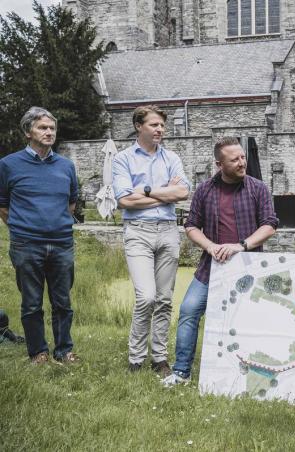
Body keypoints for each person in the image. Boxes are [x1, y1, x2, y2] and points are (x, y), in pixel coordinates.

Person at [162, 137, 278, 386]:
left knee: (253, 321)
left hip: (249, 266)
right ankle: (181, 373)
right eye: (234, 159)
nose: (241, 162)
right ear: (219, 164)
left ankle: (252, 374)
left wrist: (241, 245)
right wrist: (211, 246)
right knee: (188, 311)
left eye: (242, 157)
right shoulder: (204, 190)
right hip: (211, 267)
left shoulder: (258, 188)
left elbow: (270, 225)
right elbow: (191, 226)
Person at [112, 105, 190, 376]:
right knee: (146, 297)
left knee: (165, 299)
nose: (160, 130)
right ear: (138, 126)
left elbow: (182, 192)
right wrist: (164, 192)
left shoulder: (171, 158)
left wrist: (145, 190)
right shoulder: (123, 159)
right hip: (138, 232)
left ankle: (159, 359)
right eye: (154, 125)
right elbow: (124, 201)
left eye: (162, 126)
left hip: (168, 230)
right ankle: (136, 358)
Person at [0, 107, 79, 364]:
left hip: (61, 244)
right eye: (42, 127)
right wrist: (23, 228)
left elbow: (71, 203)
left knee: (63, 302)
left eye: (52, 128)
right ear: (27, 132)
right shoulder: (8, 165)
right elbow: (3, 205)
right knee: (32, 303)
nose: (49, 132)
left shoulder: (66, 166)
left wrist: (55, 224)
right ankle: (38, 353)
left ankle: (64, 350)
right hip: (26, 245)